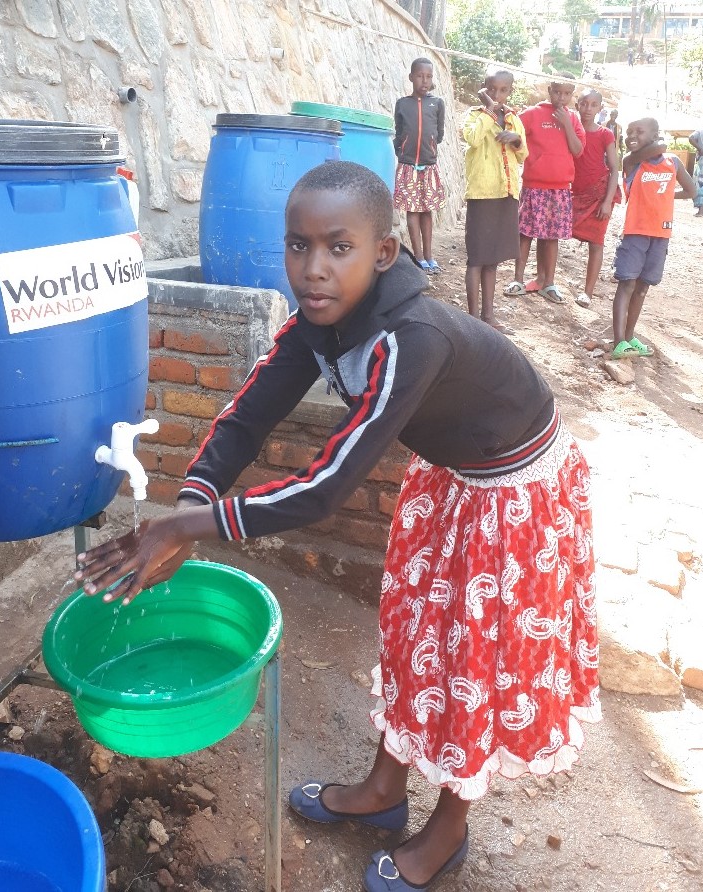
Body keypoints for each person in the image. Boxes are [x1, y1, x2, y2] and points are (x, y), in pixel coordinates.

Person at [74, 160, 601, 892]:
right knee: (415, 634)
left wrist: (187, 528)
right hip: (451, 478)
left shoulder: (410, 337)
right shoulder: (323, 321)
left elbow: (323, 490)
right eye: (297, 246)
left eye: (336, 247)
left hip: (512, 493)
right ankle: (384, 789)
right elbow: (248, 414)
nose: (312, 269)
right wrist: (189, 503)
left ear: (383, 252)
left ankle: (448, 826)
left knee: (470, 660)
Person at [610, 118, 696, 359]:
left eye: (639, 131)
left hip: (660, 235)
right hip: (635, 233)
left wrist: (667, 196)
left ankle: (629, 336)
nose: (631, 136)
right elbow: (657, 148)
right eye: (628, 132)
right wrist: (659, 142)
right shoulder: (631, 162)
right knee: (627, 283)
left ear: (655, 134)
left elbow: (692, 191)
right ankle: (618, 342)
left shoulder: (673, 163)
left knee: (643, 287)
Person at [504, 81, 585, 304]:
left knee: (551, 237)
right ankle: (518, 280)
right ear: (549, 91)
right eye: (557, 92)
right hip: (534, 185)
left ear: (571, 95)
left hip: (560, 188)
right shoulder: (532, 114)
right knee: (526, 233)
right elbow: (515, 138)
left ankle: (548, 283)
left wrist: (567, 124)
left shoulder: (573, 118)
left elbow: (578, 150)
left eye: (567, 93)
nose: (561, 97)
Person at [462, 67, 528, 333]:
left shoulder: (514, 119)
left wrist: (516, 140)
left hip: (506, 193)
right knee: (476, 258)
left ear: (510, 91)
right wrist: (489, 111)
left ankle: (488, 315)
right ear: (484, 88)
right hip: (482, 194)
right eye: (492, 89)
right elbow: (473, 139)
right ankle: (473, 317)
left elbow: (523, 155)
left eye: (503, 90)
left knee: (492, 260)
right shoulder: (474, 116)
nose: (497, 95)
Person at [393, 57, 447, 273]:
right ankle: (418, 257)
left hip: (429, 166)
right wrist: (403, 150)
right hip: (408, 167)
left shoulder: (437, 104)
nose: (424, 81)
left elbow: (439, 134)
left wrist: (431, 147)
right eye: (420, 76)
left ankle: (430, 256)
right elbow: (399, 132)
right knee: (412, 212)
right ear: (411, 77)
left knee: (427, 211)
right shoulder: (402, 104)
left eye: (429, 77)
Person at [571, 89, 621, 307]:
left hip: (599, 194)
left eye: (593, 105)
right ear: (577, 105)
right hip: (573, 193)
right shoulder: (570, 132)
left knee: (596, 243)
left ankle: (587, 293)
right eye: (583, 104)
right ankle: (546, 280)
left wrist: (608, 200)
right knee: (551, 235)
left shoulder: (604, 134)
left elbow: (614, 168)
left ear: (600, 108)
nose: (587, 109)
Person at [689, 127, 703, 217]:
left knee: (700, 184)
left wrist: (700, 149)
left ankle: (701, 211)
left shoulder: (700, 131)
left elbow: (691, 138)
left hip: (701, 163)